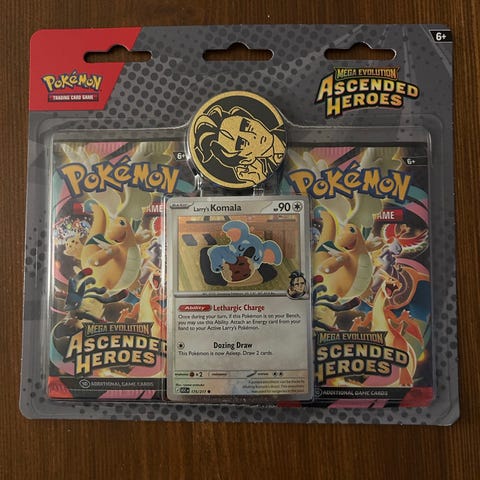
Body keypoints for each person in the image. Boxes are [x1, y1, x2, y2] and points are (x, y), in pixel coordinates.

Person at [193, 105, 285, 185]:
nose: (252, 136)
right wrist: (259, 178)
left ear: (253, 119)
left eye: (246, 126)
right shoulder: (265, 172)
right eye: (242, 143)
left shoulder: (291, 138)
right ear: (246, 160)